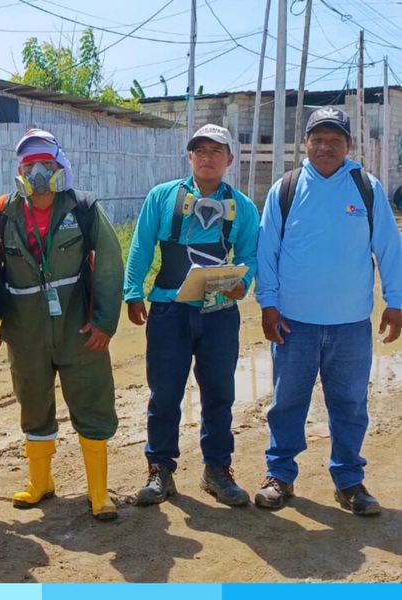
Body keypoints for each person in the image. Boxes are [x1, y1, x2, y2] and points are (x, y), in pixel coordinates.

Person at [254, 107, 402, 515]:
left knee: (350, 405)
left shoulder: (366, 188)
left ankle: (349, 481)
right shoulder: (286, 189)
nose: (325, 147)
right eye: (317, 139)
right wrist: (268, 304)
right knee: (287, 402)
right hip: (293, 323)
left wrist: (396, 301)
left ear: (348, 145)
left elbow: (389, 248)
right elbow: (267, 252)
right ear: (305, 143)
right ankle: (279, 475)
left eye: (334, 140)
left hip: (350, 325)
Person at [0, 128, 124, 521]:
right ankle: (40, 482)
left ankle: (98, 492)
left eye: (45, 164)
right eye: (29, 166)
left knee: (92, 402)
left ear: (59, 167)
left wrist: (105, 322)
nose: (37, 173)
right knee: (33, 403)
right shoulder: (0, 214)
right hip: (25, 332)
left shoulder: (83, 208)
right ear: (19, 171)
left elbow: (109, 266)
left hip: (78, 326)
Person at [123, 124, 259, 507]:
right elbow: (141, 246)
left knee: (219, 393)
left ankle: (217, 470)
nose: (207, 157)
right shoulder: (162, 197)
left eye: (216, 151)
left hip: (219, 313)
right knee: (164, 393)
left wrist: (242, 283)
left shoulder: (244, 207)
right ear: (190, 157)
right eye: (200, 150)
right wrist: (133, 292)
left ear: (229, 159)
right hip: (169, 311)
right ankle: (160, 470)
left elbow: (249, 254)